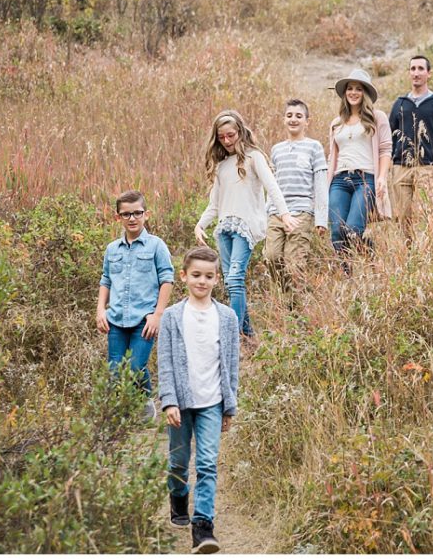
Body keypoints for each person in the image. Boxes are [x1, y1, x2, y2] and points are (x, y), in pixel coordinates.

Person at [158, 246, 240, 554]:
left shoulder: (228, 318)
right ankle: (178, 496)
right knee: (179, 461)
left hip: (212, 403)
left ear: (217, 279)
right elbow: (165, 361)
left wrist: (229, 407)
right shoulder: (172, 317)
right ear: (184, 276)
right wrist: (168, 401)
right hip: (181, 401)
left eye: (208, 276)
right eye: (196, 275)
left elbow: (231, 365)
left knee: (207, 464)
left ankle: (203, 527)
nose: (201, 282)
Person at [195, 109, 298, 338]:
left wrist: (284, 214)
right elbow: (214, 204)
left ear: (240, 132)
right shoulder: (222, 166)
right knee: (233, 283)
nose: (227, 141)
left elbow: (272, 186)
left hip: (246, 227)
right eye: (222, 137)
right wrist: (200, 225)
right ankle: (248, 335)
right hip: (224, 229)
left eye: (231, 135)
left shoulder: (253, 157)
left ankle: (231, 337)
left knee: (234, 279)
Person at [96, 190, 175, 420]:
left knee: (134, 367)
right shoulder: (112, 249)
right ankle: (123, 415)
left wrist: (158, 315)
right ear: (118, 217)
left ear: (146, 214)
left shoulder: (156, 246)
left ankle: (145, 401)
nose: (132, 218)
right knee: (115, 372)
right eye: (126, 214)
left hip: (144, 319)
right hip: (116, 319)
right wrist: (101, 309)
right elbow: (106, 280)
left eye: (137, 213)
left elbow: (167, 279)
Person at [263, 99, 328, 296]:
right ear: (284, 119)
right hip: (277, 213)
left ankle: (295, 310)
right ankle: (288, 297)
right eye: (290, 115)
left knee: (294, 265)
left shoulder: (314, 147)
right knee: (272, 257)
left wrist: (321, 218)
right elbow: (272, 184)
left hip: (302, 212)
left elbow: (320, 183)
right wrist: (266, 212)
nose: (293, 119)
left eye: (299, 116)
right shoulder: (277, 149)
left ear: (307, 121)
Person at [326, 68, 392, 256]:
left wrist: (382, 178)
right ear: (345, 92)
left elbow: (385, 149)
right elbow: (332, 156)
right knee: (337, 231)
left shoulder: (376, 117)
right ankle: (347, 275)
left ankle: (370, 253)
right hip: (339, 181)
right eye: (350, 88)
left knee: (353, 229)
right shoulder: (336, 123)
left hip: (365, 179)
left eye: (358, 89)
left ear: (365, 93)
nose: (353, 92)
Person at [388, 55, 433, 241]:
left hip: (426, 166)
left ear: (429, 73)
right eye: (413, 69)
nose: (416, 73)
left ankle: (428, 252)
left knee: (427, 214)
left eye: (420, 69)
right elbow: (390, 135)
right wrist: (391, 162)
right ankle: (408, 252)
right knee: (402, 216)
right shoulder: (400, 103)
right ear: (409, 73)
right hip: (401, 167)